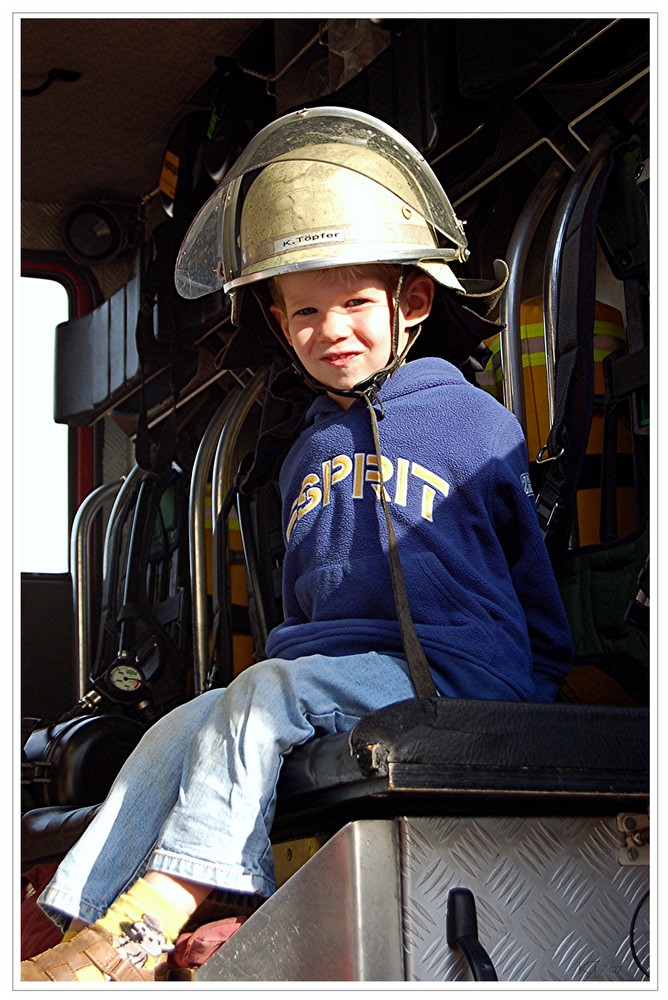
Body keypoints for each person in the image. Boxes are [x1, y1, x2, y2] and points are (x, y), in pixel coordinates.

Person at [21, 107, 572, 982]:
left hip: (453, 673)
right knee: (181, 724)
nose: (331, 330)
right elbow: (309, 605)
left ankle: (152, 917)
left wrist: (539, 686)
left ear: (413, 301)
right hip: (337, 673)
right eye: (305, 312)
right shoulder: (306, 450)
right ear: (281, 326)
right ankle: (82, 929)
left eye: (356, 303)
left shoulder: (477, 424)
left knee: (268, 694)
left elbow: (528, 575)